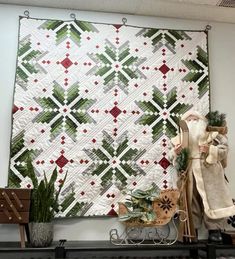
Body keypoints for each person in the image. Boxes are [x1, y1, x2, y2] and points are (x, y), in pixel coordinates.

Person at [169, 110, 235, 243]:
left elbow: (224, 150)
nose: (193, 122)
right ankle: (193, 231)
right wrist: (175, 153)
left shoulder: (213, 135)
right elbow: (172, 157)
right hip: (189, 172)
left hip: (209, 173)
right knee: (191, 202)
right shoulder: (178, 139)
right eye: (189, 120)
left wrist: (210, 150)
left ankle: (215, 230)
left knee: (213, 200)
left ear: (202, 121)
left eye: (195, 119)